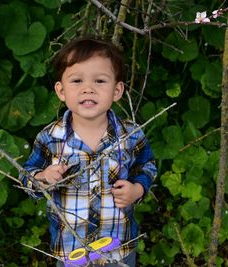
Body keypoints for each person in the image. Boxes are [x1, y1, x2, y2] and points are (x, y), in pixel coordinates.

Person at [20, 36, 157, 266]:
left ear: (117, 90)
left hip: (117, 245)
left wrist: (138, 189)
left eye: (100, 81)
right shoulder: (51, 138)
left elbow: (147, 165)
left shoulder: (130, 135)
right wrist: (42, 178)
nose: (88, 89)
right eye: (77, 81)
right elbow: (25, 174)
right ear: (61, 91)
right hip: (70, 249)